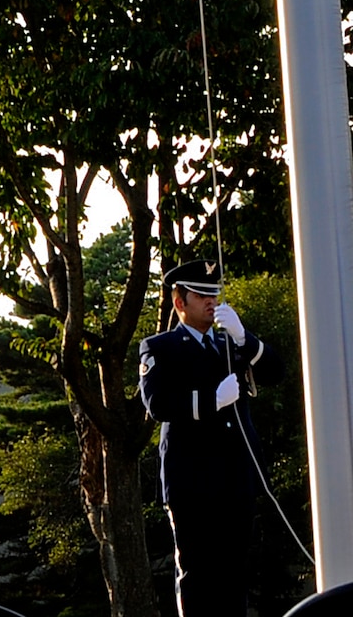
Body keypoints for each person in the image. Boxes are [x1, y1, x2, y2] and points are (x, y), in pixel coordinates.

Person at [138, 260, 277, 617]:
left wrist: (246, 338)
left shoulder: (231, 341)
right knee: (198, 575)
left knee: (234, 574)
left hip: (236, 477)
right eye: (201, 295)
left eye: (214, 294)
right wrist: (211, 400)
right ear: (179, 302)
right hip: (193, 480)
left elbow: (277, 370)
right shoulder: (160, 347)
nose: (211, 302)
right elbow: (157, 403)